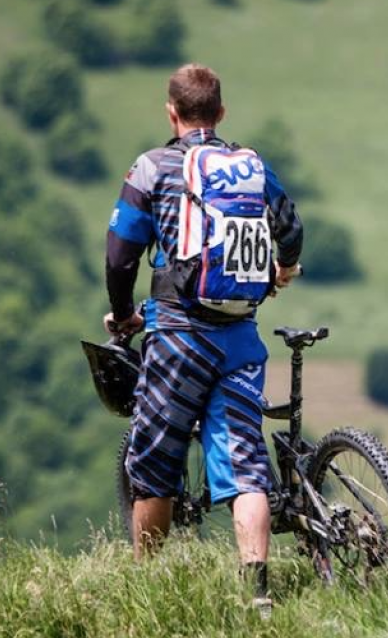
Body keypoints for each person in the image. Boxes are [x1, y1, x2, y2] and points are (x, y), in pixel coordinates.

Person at [103, 63, 303, 611]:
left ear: (172, 112)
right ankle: (258, 595)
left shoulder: (152, 168)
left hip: (177, 339)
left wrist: (123, 315)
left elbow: (120, 254)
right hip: (239, 337)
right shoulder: (252, 168)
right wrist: (284, 270)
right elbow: (291, 228)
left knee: (155, 464)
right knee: (246, 466)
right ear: (221, 113)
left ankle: (147, 590)